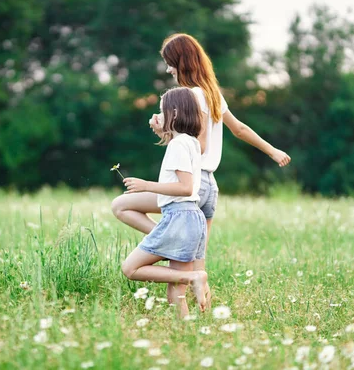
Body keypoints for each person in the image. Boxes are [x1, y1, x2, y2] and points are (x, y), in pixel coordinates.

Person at [113, 33, 291, 305]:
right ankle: (204, 324)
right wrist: (272, 150)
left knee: (121, 206)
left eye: (170, 63)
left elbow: (200, 145)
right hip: (210, 187)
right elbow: (239, 129)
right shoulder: (212, 93)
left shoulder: (193, 95)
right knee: (196, 266)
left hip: (194, 185)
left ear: (181, 62)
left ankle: (166, 241)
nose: (168, 69)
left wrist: (165, 130)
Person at [120, 87, 209, 317]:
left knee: (130, 268)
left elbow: (185, 187)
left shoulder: (177, 145)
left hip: (178, 216)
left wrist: (147, 185)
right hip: (191, 218)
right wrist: (163, 130)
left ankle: (194, 277)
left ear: (175, 113)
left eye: (163, 110)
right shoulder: (190, 142)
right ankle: (187, 337)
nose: (159, 115)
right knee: (176, 294)